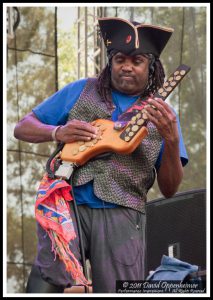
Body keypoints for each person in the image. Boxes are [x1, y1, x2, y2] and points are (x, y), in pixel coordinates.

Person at [14, 17, 188, 293]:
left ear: (151, 66)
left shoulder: (163, 115)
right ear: (110, 61)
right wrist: (57, 132)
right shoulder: (82, 89)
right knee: (49, 282)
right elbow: (23, 127)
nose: (127, 66)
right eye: (120, 59)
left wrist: (171, 138)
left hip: (123, 213)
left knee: (118, 290)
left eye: (137, 60)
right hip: (68, 203)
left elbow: (169, 188)